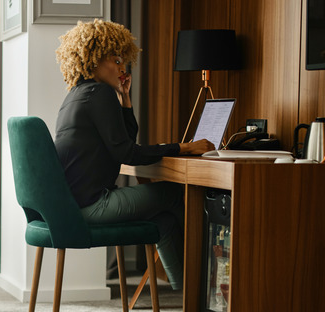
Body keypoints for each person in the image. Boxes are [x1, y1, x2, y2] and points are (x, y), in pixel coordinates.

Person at [54, 19, 214, 289]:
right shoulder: (99, 93)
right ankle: (206, 284)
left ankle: (187, 291)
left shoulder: (78, 94)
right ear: (94, 59)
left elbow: (125, 142)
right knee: (175, 194)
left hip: (75, 205)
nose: (122, 68)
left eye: (123, 62)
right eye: (116, 61)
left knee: (163, 221)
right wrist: (184, 147)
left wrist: (125, 99)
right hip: (93, 205)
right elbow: (128, 153)